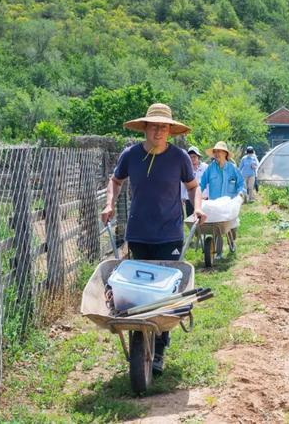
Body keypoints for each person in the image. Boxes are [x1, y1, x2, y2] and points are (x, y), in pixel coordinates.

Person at [100, 103, 206, 375]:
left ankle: (159, 349)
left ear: (170, 131)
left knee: (166, 293)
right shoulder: (130, 155)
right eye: (154, 125)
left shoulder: (180, 157)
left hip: (169, 234)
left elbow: (193, 188)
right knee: (139, 292)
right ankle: (141, 337)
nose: (159, 131)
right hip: (138, 233)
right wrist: (109, 204)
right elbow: (115, 180)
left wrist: (198, 207)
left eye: (164, 126)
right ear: (145, 127)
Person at [200, 141, 245, 259]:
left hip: (229, 205)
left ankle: (231, 243)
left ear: (225, 154)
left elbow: (241, 183)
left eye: (219, 151)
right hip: (215, 206)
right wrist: (198, 194)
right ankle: (218, 253)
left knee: (232, 227)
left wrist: (240, 193)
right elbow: (202, 183)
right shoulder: (210, 169)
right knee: (216, 228)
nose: (216, 154)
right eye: (215, 152)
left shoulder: (232, 168)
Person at [181, 146, 208, 216]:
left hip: (204, 198)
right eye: (190, 157)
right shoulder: (185, 169)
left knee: (205, 221)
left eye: (194, 157)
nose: (192, 159)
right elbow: (183, 184)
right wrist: (182, 198)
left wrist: (208, 195)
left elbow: (209, 182)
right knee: (191, 220)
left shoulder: (205, 167)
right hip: (189, 199)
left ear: (198, 157)